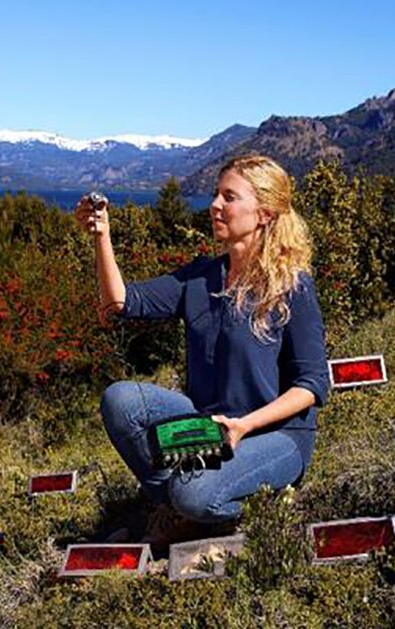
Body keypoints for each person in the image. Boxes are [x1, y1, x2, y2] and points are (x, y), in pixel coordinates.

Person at [75, 154, 329, 544]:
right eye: (216, 195)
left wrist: (245, 425)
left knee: (194, 492)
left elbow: (311, 385)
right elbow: (119, 303)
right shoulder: (199, 278)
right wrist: (101, 236)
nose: (214, 205)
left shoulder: (293, 286)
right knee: (122, 400)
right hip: (210, 430)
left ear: (263, 213)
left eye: (229, 197)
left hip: (276, 437)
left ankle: (235, 503)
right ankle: (179, 505)